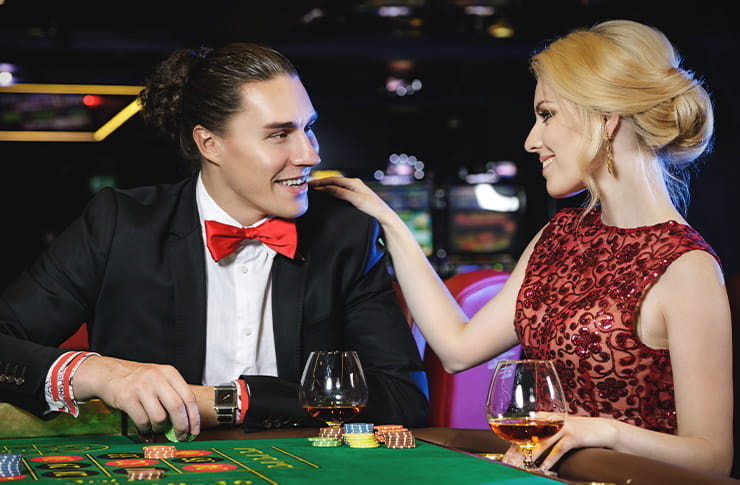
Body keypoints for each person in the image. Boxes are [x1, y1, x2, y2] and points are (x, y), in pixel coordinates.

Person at [310, 20, 732, 475]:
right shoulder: (560, 236)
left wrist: (603, 431)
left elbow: (711, 458)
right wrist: (390, 223)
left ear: (606, 121)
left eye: (546, 114)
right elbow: (457, 348)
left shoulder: (686, 267)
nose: (532, 140)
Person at [0, 43, 429, 441]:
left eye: (308, 128)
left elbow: (403, 397)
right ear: (210, 143)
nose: (310, 154)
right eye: (280, 134)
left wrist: (233, 402)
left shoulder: (345, 235)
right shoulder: (120, 223)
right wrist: (97, 373)